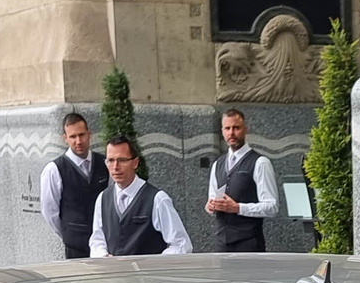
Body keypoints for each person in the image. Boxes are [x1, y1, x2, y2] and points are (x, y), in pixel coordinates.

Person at [89, 137, 192, 256]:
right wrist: (103, 256)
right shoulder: (103, 199)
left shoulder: (157, 199)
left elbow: (182, 244)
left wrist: (153, 263)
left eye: (122, 160)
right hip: (115, 273)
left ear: (135, 163)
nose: (115, 166)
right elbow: (97, 240)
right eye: (110, 160)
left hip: (148, 273)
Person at [204, 108, 278, 253]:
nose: (231, 133)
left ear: (245, 130)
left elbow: (272, 207)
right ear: (222, 131)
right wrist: (210, 206)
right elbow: (211, 201)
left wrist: (238, 208)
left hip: (249, 243)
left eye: (236, 128)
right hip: (221, 244)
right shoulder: (217, 164)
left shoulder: (260, 162)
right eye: (227, 128)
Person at [37, 110, 108, 260]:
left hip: (105, 245)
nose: (78, 141)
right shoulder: (54, 169)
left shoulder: (106, 163)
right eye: (73, 136)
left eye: (81, 135)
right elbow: (50, 211)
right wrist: (69, 233)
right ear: (65, 139)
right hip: (76, 247)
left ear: (89, 134)